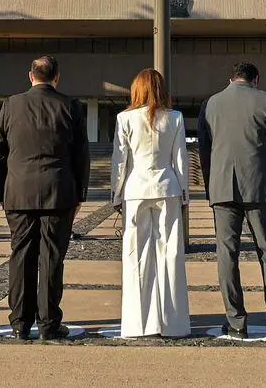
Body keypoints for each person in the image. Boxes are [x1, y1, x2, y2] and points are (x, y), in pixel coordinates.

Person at [0, 54, 90, 342]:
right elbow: (81, 154)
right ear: (56, 77)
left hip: (18, 192)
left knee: (20, 256)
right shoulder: (70, 106)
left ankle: (20, 322)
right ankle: (48, 322)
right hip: (58, 191)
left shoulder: (11, 105)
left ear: (30, 76)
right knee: (52, 257)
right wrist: (79, 193)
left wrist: (2, 192)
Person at [198, 61, 266, 340]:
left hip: (222, 188)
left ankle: (236, 322)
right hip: (261, 188)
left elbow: (204, 150)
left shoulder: (210, 104)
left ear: (231, 78)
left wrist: (210, 186)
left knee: (227, 254)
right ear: (256, 79)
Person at [112, 68, 191, 339]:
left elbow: (120, 161)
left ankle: (136, 323)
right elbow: (181, 158)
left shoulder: (125, 118)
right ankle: (174, 324)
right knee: (171, 255)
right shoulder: (175, 118)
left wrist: (116, 192)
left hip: (135, 189)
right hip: (167, 187)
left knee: (135, 256)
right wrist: (185, 194)